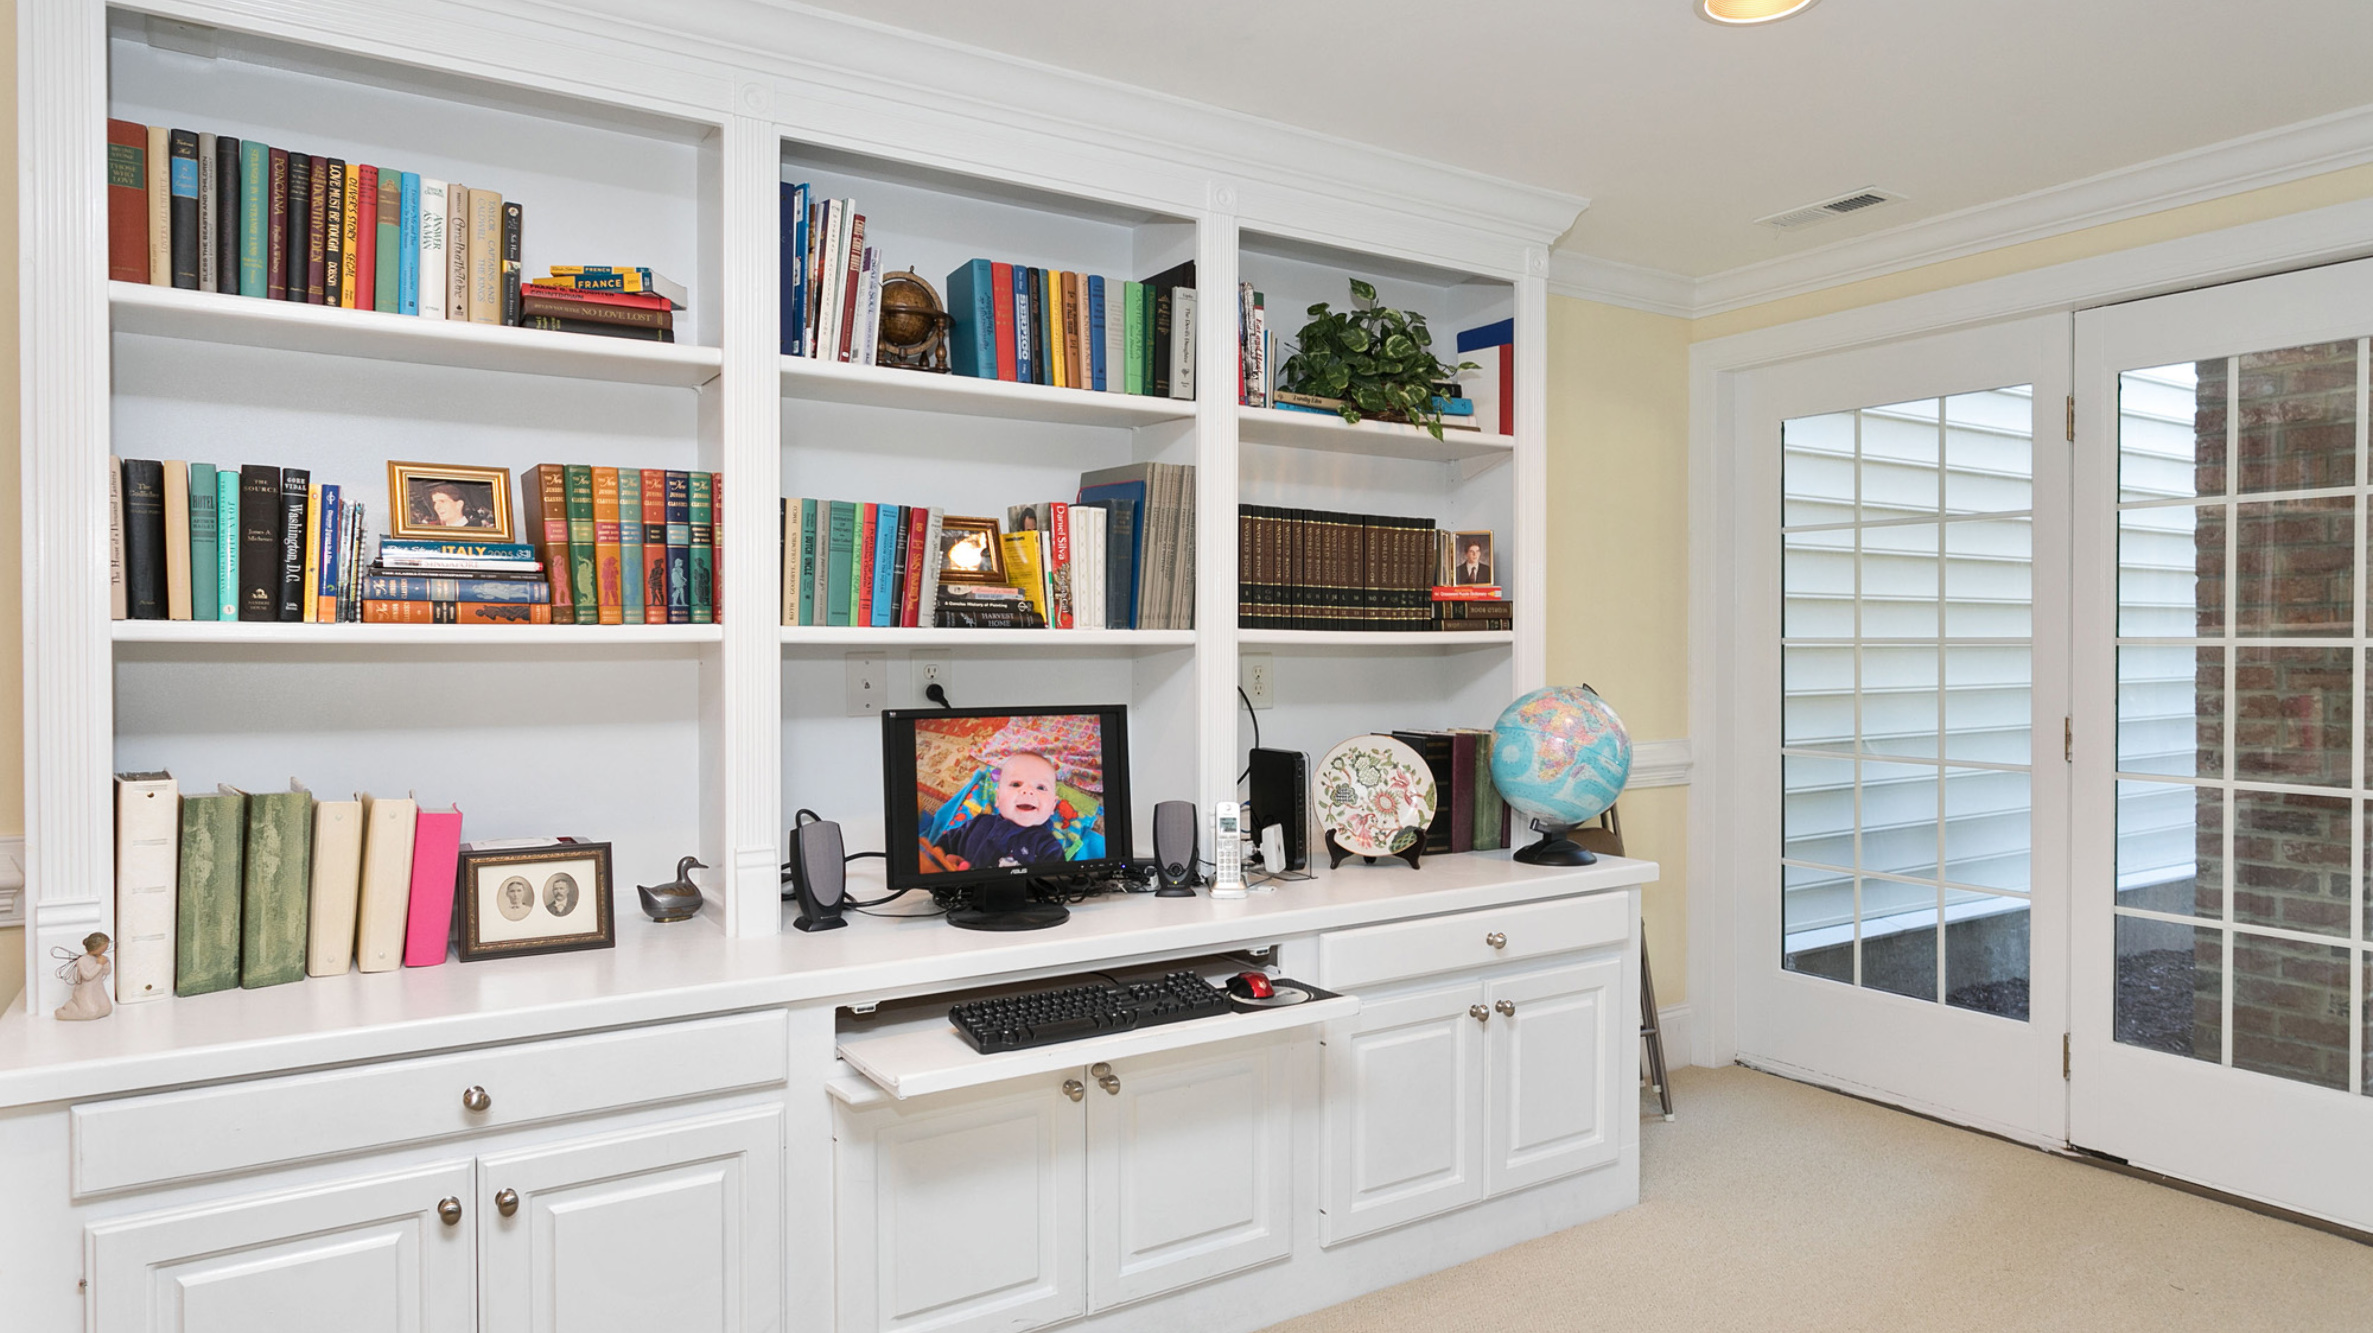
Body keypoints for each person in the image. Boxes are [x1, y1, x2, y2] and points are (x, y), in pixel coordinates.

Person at [933, 752, 1067, 870]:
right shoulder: (978, 823)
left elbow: (1055, 882)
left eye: (1041, 787)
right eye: (1016, 784)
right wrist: (945, 860)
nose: (1028, 791)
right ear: (998, 798)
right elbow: (940, 848)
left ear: (1052, 806)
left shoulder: (1048, 846)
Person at [53, 932, 112, 1022]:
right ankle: (68, 1008)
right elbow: (87, 976)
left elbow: (107, 972)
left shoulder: (100, 958)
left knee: (106, 1009)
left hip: (98, 990)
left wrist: (106, 963)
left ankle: (83, 1006)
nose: (105, 949)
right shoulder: (82, 960)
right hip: (85, 991)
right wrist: (99, 964)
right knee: (91, 1013)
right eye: (104, 947)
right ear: (95, 947)